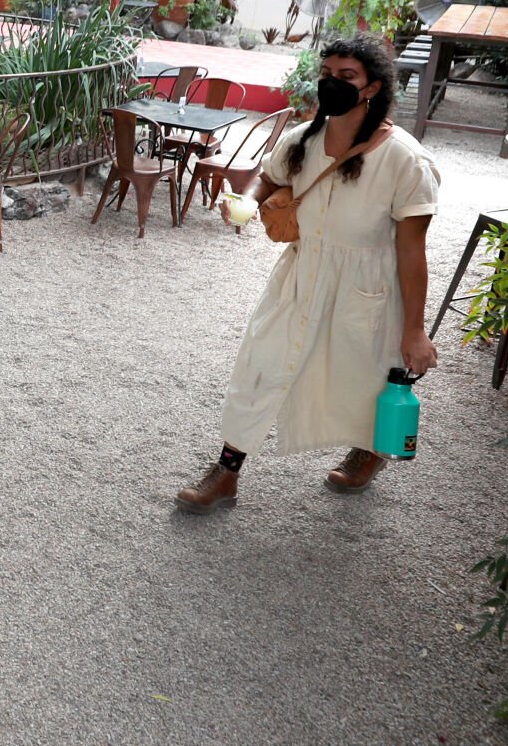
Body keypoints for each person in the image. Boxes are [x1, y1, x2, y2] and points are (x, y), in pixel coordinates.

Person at [175, 36, 441, 513]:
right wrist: (247, 200)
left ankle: (370, 451)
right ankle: (226, 472)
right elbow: (270, 176)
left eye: (346, 78)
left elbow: (411, 249)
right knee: (260, 367)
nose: (331, 84)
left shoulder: (406, 160)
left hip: (370, 288)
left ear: (371, 89)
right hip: (301, 273)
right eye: (326, 74)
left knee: (367, 379)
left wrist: (415, 329)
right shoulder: (303, 139)